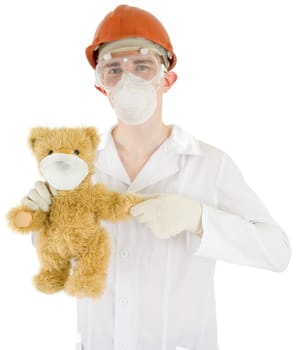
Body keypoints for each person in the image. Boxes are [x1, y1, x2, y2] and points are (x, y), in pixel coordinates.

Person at [24, 4, 291, 350]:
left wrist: (198, 219)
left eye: (142, 66)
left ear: (167, 79)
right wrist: (43, 223)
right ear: (101, 85)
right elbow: (63, 255)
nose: (128, 79)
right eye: (114, 69)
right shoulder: (77, 168)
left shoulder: (209, 164)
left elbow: (277, 251)